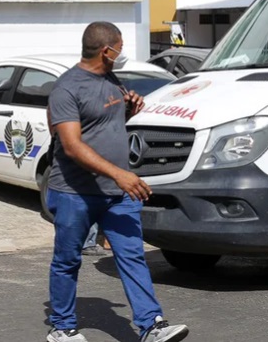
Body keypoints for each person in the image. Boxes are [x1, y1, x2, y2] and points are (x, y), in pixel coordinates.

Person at [46, 21, 189, 342]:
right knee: (67, 260)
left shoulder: (111, 79)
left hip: (117, 193)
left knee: (132, 255)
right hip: (75, 192)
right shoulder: (67, 88)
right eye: (120, 47)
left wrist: (129, 110)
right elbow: (71, 145)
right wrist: (120, 174)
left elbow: (103, 124)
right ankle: (62, 326)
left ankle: (151, 325)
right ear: (106, 51)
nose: (123, 52)